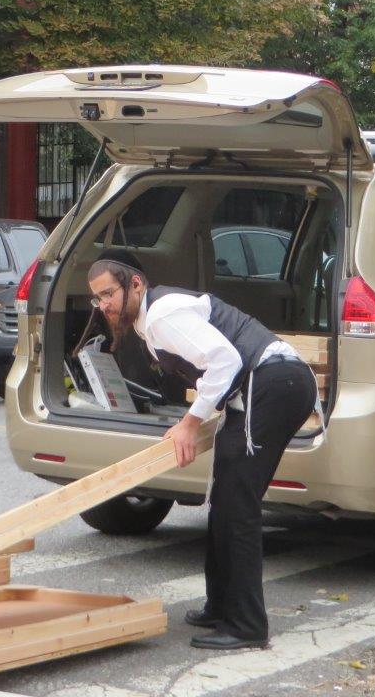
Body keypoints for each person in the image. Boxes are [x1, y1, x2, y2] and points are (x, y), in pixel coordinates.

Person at [86, 248, 318, 651]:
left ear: (135, 284)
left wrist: (190, 423)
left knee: (238, 505)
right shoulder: (149, 322)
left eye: (109, 293)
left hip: (274, 383)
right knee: (224, 500)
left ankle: (246, 626)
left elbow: (225, 360)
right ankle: (221, 607)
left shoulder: (162, 314)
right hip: (263, 387)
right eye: (97, 298)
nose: (104, 305)